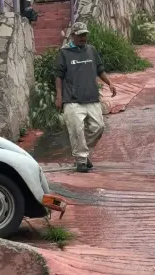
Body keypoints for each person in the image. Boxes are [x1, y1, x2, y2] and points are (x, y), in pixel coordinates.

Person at [55, 22, 117, 173]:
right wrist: (59, 95)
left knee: (99, 127)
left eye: (85, 35)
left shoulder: (91, 50)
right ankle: (81, 160)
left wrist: (110, 83)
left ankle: (83, 153)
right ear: (73, 36)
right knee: (77, 129)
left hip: (91, 97)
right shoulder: (64, 53)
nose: (83, 38)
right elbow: (58, 76)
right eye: (80, 35)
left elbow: (99, 69)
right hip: (72, 99)